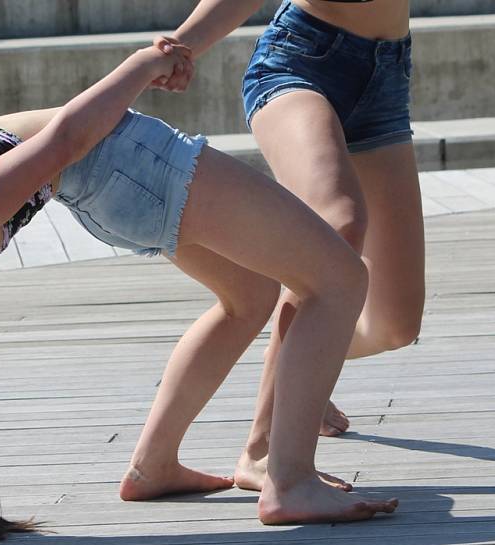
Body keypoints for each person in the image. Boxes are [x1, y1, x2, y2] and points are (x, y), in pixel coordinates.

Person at [0, 42, 397, 543]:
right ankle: (288, 479)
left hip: (112, 186)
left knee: (249, 296)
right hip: (128, 163)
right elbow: (64, 140)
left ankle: (153, 465)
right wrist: (143, 65)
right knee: (340, 277)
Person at [125, 0, 424, 497]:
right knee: (338, 225)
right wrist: (181, 47)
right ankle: (262, 452)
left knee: (395, 325)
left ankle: (307, 365)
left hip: (386, 77)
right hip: (303, 62)